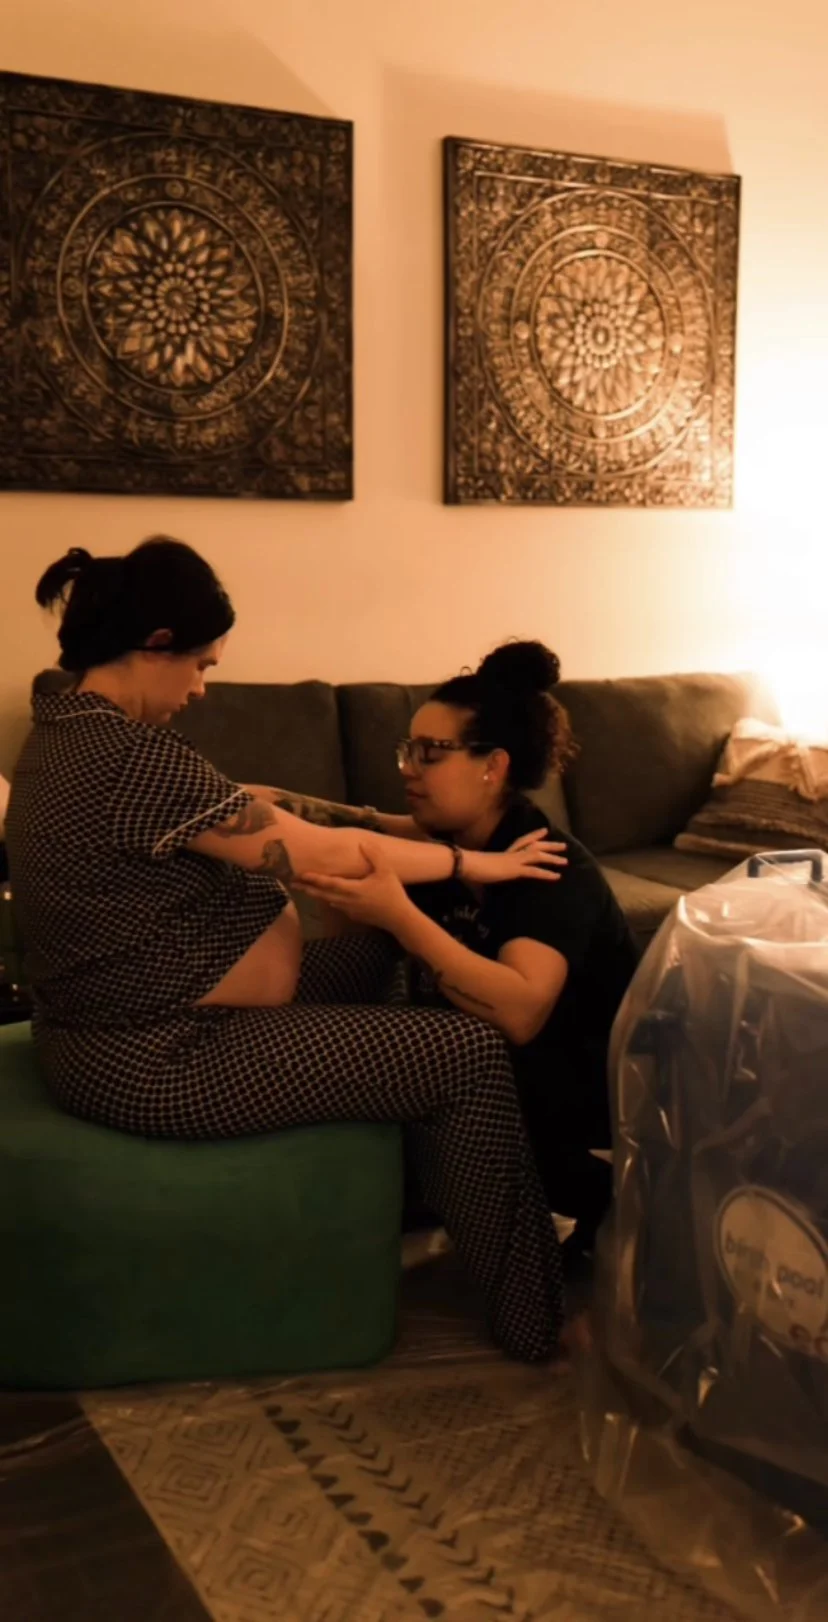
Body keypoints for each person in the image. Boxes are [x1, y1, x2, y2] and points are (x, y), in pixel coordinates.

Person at [5, 538, 570, 1363]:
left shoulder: (68, 729)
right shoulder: (126, 757)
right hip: (156, 1055)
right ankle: (538, 1323)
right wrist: (473, 860)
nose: (201, 688)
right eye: (200, 665)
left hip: (134, 1024)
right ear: (155, 646)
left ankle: (427, 1199)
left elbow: (256, 817)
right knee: (467, 1053)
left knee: (391, 957)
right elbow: (318, 856)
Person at [295, 640, 641, 1263]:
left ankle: (588, 1219)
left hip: (574, 1113)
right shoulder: (449, 844)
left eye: (431, 753)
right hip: (490, 1080)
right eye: (408, 749)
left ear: (493, 767)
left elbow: (520, 1012)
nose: (408, 768)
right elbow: (326, 827)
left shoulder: (546, 864)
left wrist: (399, 916)